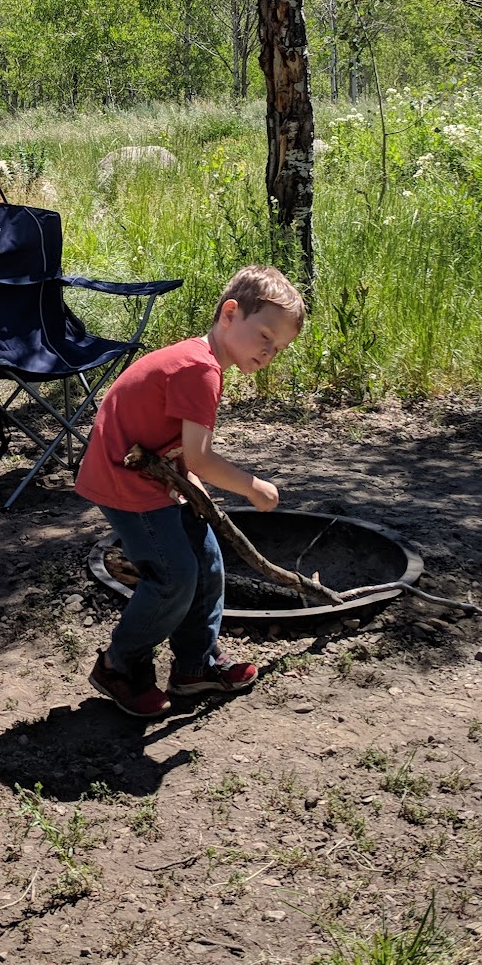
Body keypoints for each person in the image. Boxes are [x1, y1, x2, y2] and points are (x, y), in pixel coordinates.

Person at [75, 265, 305, 719]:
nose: (269, 352)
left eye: (278, 348)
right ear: (229, 314)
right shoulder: (199, 370)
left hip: (152, 471)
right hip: (125, 479)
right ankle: (119, 667)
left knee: (207, 560)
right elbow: (200, 457)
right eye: (264, 336)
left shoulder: (202, 362)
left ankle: (195, 665)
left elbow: (175, 444)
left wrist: (191, 486)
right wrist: (252, 486)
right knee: (173, 575)